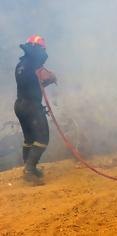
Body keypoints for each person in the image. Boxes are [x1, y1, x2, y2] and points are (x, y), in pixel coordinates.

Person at [14, 35, 57, 185]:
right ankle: (29, 170)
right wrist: (52, 77)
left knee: (29, 140)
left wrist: (44, 83)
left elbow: (31, 84)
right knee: (42, 138)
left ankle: (28, 167)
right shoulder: (34, 63)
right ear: (38, 49)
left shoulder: (21, 64)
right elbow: (45, 76)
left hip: (20, 105)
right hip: (31, 106)